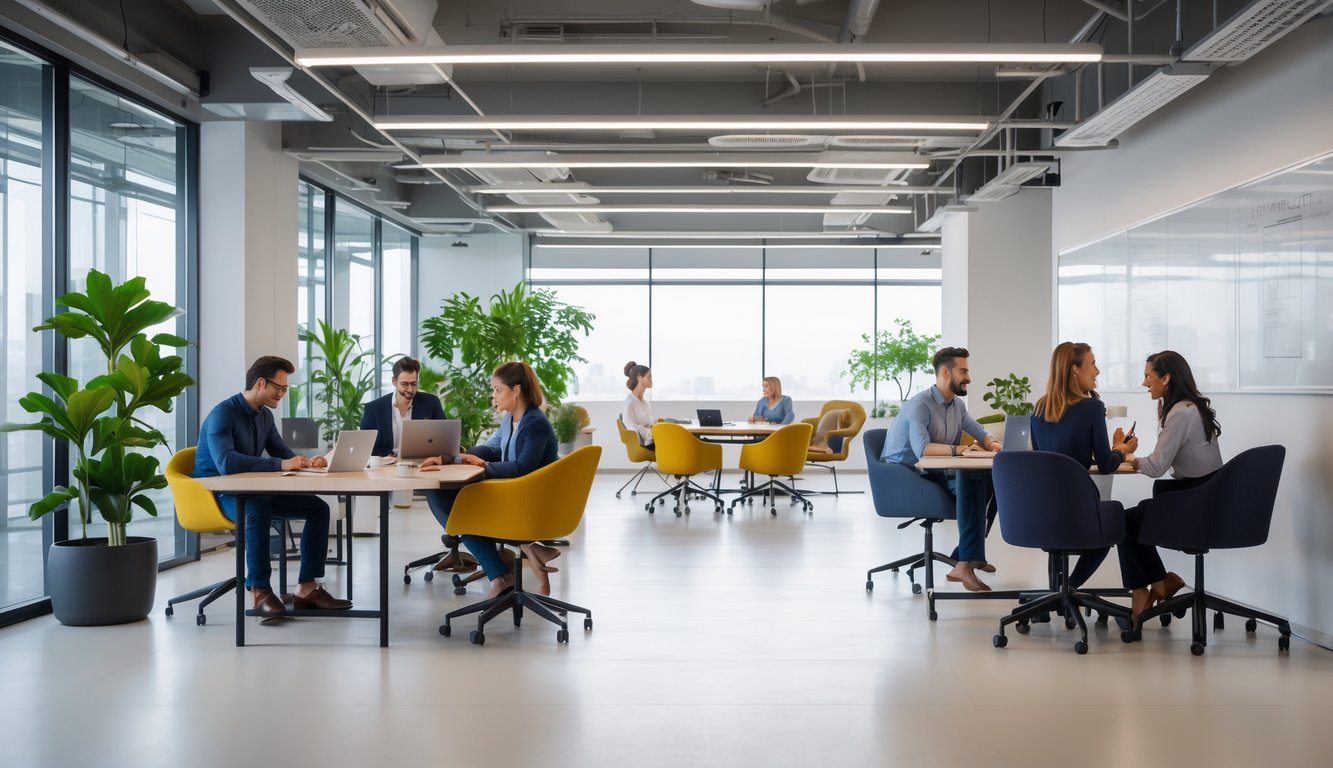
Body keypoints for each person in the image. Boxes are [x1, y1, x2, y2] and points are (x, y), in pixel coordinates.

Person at [194, 355, 352, 621]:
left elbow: (282, 452)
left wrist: (306, 462)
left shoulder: (264, 416)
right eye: (279, 388)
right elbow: (226, 463)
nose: (282, 393)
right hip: (220, 494)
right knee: (257, 512)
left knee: (317, 508)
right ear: (259, 383)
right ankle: (259, 589)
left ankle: (306, 588)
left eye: (285, 389)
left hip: (255, 490)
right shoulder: (223, 414)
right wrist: (281, 463)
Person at [421, 361, 561, 597]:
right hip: (513, 495)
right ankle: (524, 550)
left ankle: (501, 572)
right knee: (442, 495)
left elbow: (522, 467)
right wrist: (448, 459)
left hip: (530, 503)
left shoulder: (534, 423)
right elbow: (489, 449)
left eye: (498, 389)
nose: (493, 395)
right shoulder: (510, 420)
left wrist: (483, 467)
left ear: (516, 391)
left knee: (459, 512)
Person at [880, 347, 1001, 592]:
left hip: (931, 472)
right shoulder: (920, 405)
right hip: (904, 477)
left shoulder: (956, 405)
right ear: (946, 372)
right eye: (964, 371)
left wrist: (993, 444)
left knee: (993, 478)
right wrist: (961, 450)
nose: (969, 377)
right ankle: (966, 561)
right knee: (972, 479)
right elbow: (922, 449)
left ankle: (966, 557)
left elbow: (978, 430)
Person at [1120, 350, 1221, 623]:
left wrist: (1127, 456)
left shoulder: (1181, 412)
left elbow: (1155, 467)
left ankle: (1145, 592)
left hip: (1195, 504)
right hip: (1202, 497)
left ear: (1166, 378)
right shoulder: (1190, 407)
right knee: (1134, 516)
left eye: (1147, 376)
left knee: (1122, 521)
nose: (1144, 382)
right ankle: (1158, 584)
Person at [1030, 342, 1138, 589]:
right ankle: (1068, 587)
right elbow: (1106, 464)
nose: (1097, 371)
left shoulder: (1038, 409)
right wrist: (1122, 450)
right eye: (1093, 364)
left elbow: (1045, 461)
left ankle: (1055, 596)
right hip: (1078, 511)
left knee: (1057, 538)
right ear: (1075, 370)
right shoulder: (1091, 408)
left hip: (1041, 513)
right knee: (1113, 524)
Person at [360, 356, 445, 458]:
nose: (410, 389)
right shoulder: (373, 409)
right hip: (384, 468)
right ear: (394, 381)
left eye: (414, 384)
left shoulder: (431, 403)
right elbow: (364, 449)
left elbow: (445, 441)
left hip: (420, 464)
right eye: (404, 384)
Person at [622, 361, 655, 448]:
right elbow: (631, 427)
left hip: (653, 439)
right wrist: (652, 433)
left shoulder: (645, 402)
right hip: (645, 444)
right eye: (649, 377)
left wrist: (655, 424)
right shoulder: (630, 402)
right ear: (639, 377)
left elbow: (648, 423)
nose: (651, 380)